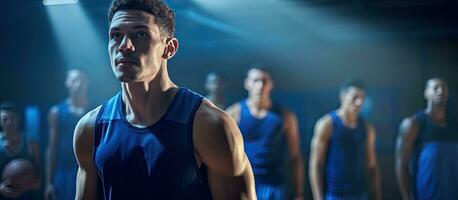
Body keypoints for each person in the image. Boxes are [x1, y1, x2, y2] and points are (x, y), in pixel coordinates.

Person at [73, 0, 256, 199]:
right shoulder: (90, 129)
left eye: (140, 34)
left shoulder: (209, 125)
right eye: (116, 35)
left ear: (169, 48)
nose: (125, 46)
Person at [226, 67, 304, 200]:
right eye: (256, 80)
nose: (260, 85)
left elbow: (295, 157)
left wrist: (299, 193)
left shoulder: (286, 116)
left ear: (271, 84)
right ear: (247, 83)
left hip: (275, 186)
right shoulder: (234, 114)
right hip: (243, 183)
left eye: (264, 81)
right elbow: (224, 156)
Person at [309, 80, 381, 200]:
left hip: (360, 194)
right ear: (343, 97)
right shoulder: (327, 124)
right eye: (355, 98)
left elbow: (372, 165)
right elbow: (315, 165)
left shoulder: (367, 128)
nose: (359, 102)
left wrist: (377, 196)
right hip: (335, 195)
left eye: (362, 98)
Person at [395, 78, 458, 200]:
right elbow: (401, 164)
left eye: (443, 88)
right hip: (426, 195)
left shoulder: (455, 124)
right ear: (426, 94)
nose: (440, 91)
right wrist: (407, 197)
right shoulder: (414, 124)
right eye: (435, 88)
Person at [45, 69, 89, 200]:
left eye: (81, 80)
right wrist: (48, 182)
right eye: (74, 80)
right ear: (67, 83)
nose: (78, 84)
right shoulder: (56, 112)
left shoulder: (97, 108)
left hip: (90, 170)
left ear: (87, 83)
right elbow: (52, 148)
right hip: (64, 171)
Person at [0, 102, 41, 199]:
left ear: (18, 119)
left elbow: (39, 176)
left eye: (12, 119)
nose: (9, 122)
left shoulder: (31, 143)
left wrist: (34, 183)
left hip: (26, 195)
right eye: (5, 119)